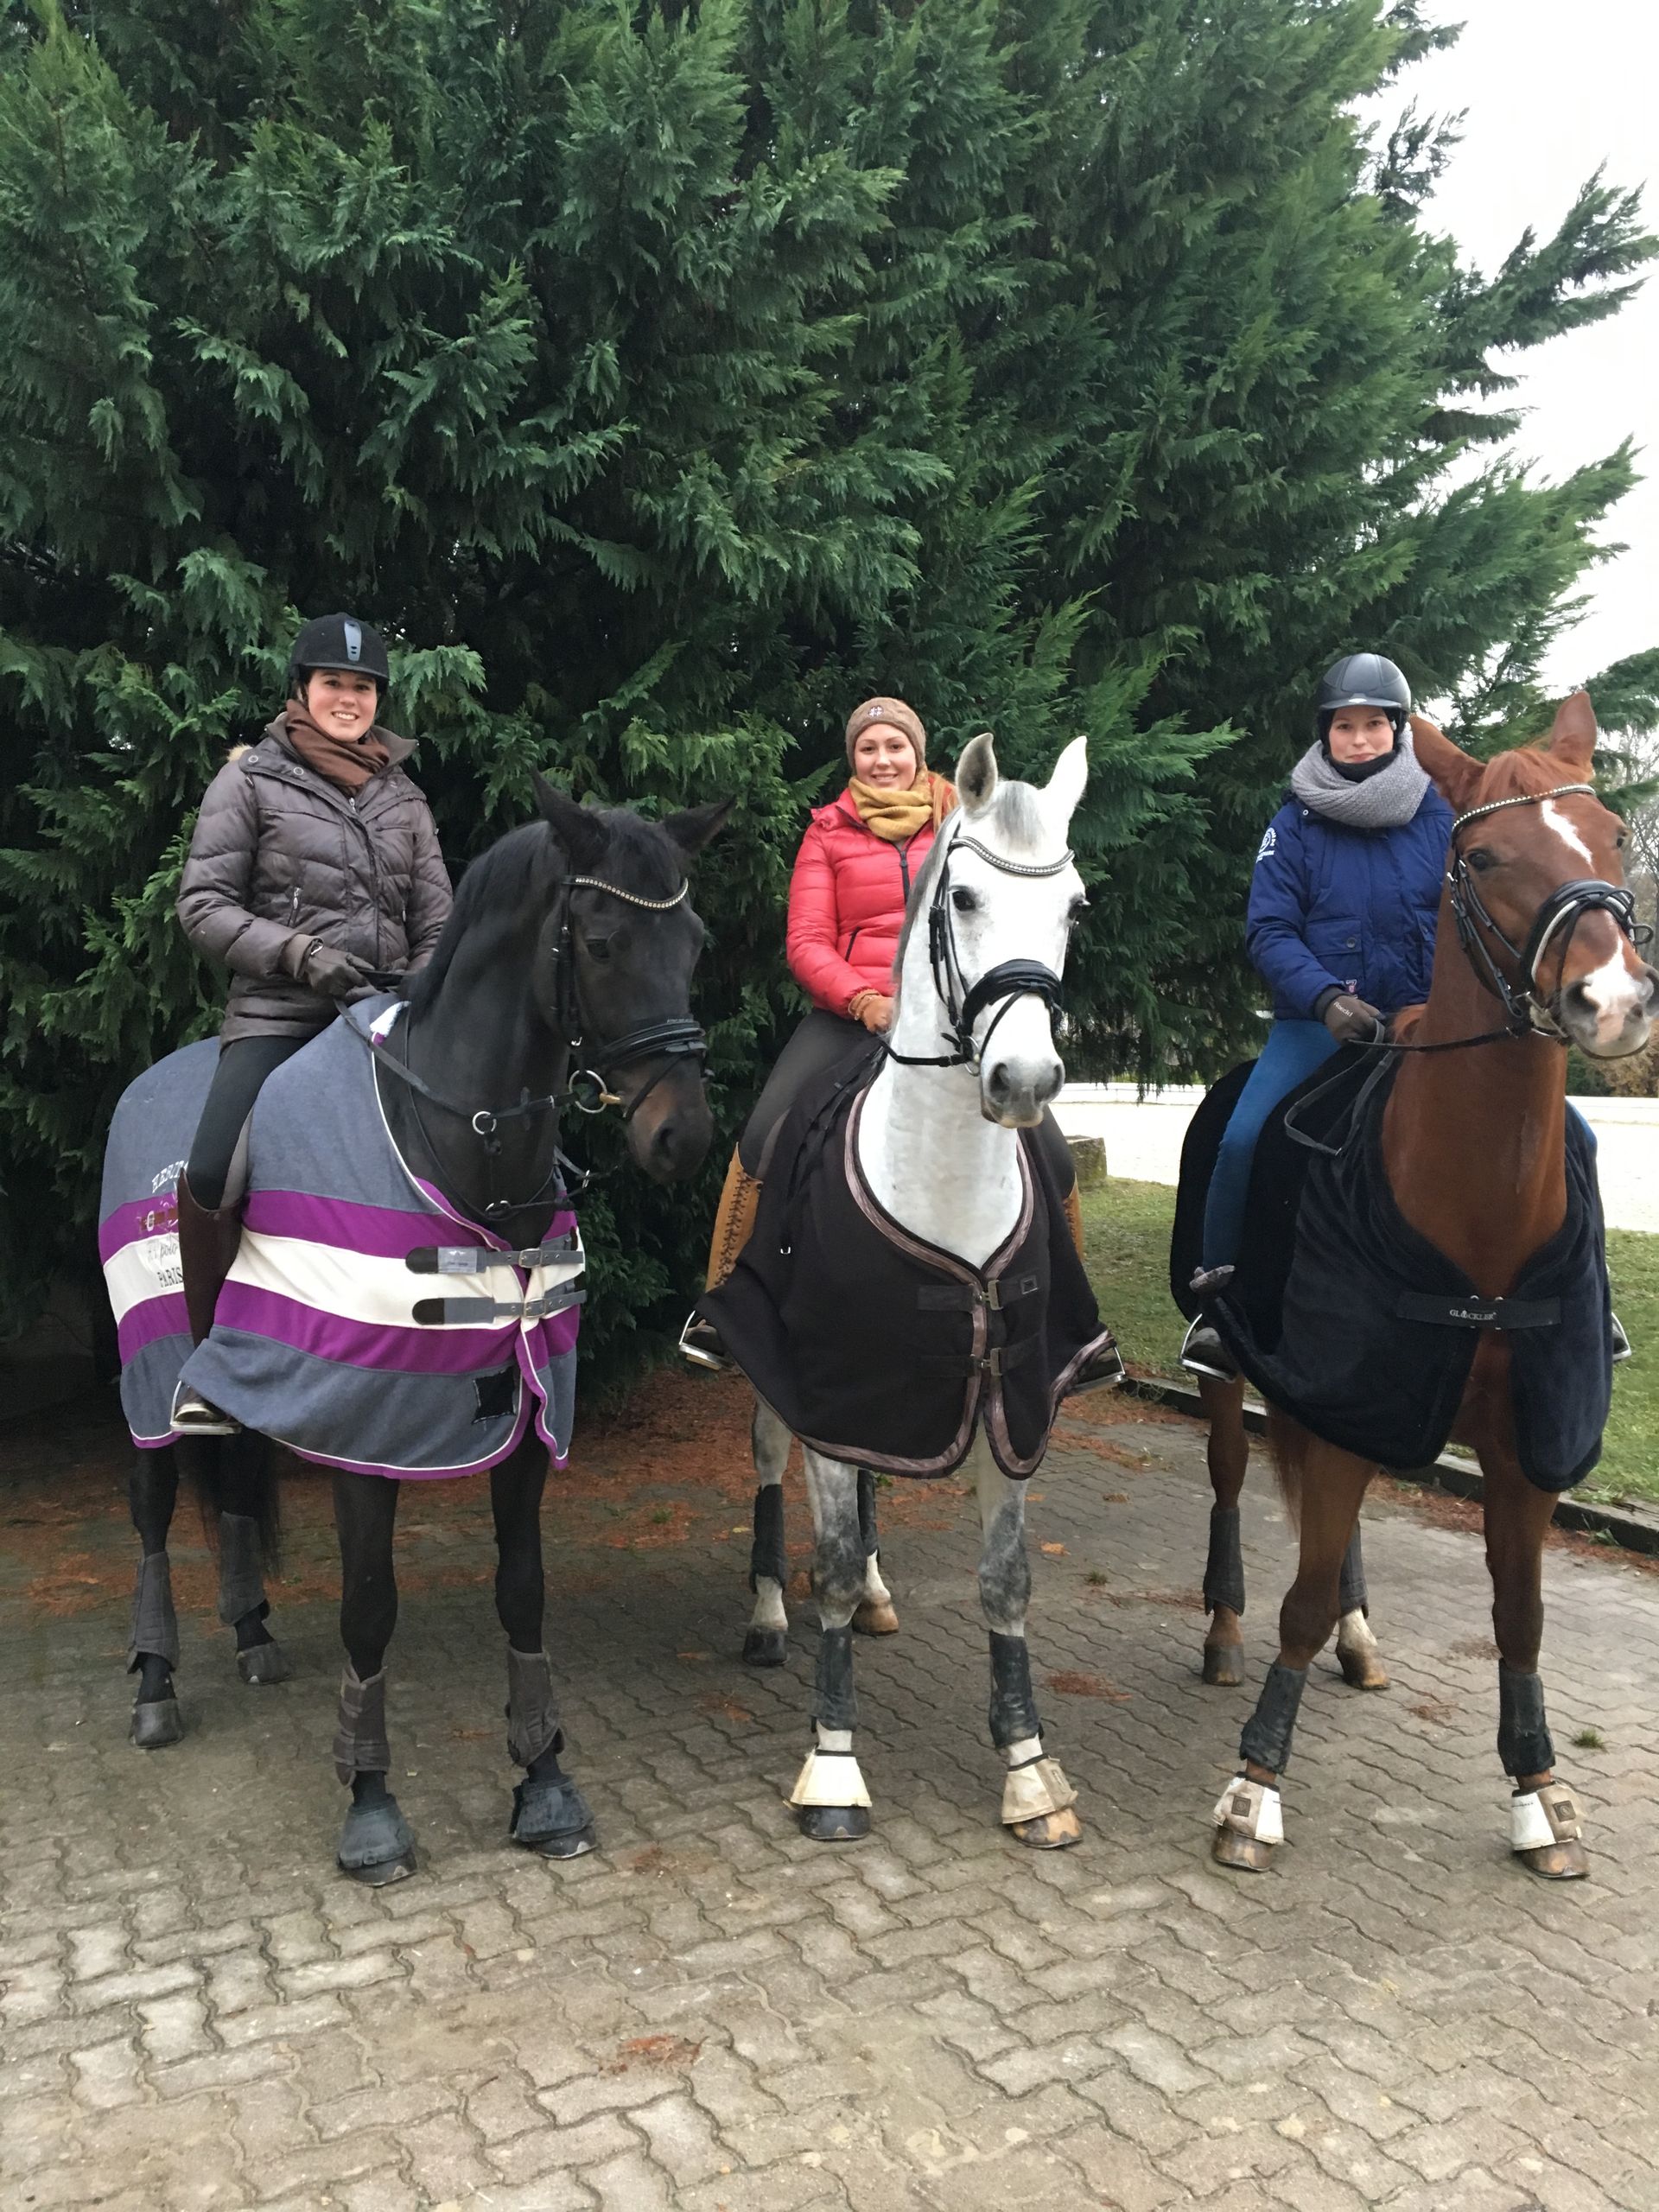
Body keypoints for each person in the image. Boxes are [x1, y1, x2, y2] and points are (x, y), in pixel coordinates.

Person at [680, 695, 1086, 1371]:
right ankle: (729, 1305)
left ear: (918, 752)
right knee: (764, 1135)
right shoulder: (827, 832)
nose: (882, 759)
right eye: (868, 748)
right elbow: (808, 942)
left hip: (957, 1022)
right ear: (853, 760)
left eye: (895, 745)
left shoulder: (967, 822)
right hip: (850, 1015)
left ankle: (1071, 1322)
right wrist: (865, 1001)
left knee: (1051, 1151)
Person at [169, 613, 453, 1430]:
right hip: (280, 1015)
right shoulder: (251, 781)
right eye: (333, 683)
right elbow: (202, 906)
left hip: (389, 1019)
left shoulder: (405, 797)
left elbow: (438, 919)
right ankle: (208, 1366)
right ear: (302, 692)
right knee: (216, 1167)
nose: (348, 699)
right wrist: (299, 957)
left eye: (362, 687)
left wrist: (421, 980)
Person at [1180, 653, 1451, 1382]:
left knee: (1561, 1131)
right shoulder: (1293, 823)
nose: (1359, 739)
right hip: (1317, 1024)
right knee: (1241, 1140)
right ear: (1325, 734)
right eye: (1345, 726)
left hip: (1429, 1026)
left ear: (1398, 729)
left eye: (1373, 725)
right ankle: (1219, 1306)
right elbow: (1268, 930)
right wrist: (1326, 997)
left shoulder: (1443, 815)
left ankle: (1583, 1298)